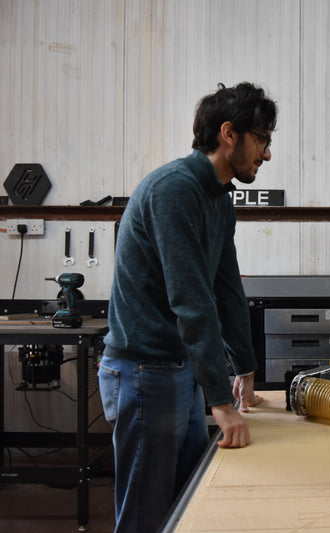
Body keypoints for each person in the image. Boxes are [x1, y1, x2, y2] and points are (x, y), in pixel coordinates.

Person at [98, 82, 276, 532]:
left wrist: (245, 367)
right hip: (143, 373)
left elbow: (227, 289)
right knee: (145, 516)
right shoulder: (175, 190)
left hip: (177, 371)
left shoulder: (218, 199)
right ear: (229, 134)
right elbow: (191, 300)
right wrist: (220, 400)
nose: (267, 154)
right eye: (263, 140)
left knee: (188, 505)